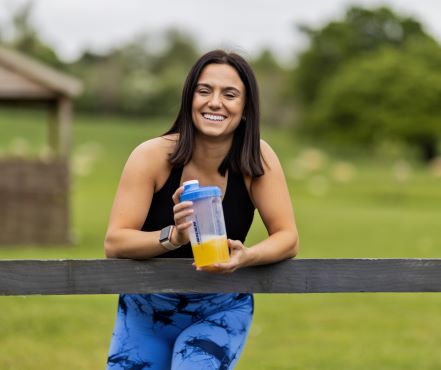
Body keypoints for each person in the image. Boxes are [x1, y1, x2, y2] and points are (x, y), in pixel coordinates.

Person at [104, 49, 299, 370]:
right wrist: (176, 236)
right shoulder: (151, 156)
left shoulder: (256, 158)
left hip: (221, 306)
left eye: (230, 94)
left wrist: (247, 257)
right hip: (145, 309)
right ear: (189, 99)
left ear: (246, 107)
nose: (215, 102)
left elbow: (288, 238)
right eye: (204, 90)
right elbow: (115, 243)